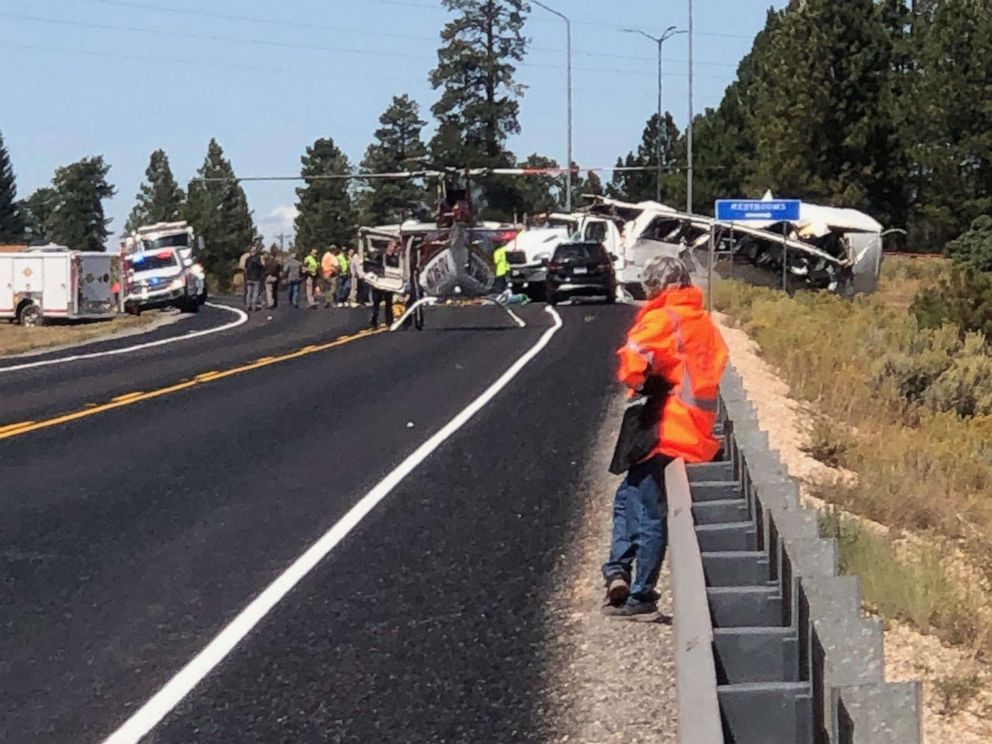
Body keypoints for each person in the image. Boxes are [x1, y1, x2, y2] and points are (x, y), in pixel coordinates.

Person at [601, 256, 728, 619]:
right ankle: (618, 573)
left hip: (664, 426)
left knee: (646, 510)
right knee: (629, 496)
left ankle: (641, 595)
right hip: (696, 431)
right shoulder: (703, 322)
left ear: (657, 286)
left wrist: (643, 382)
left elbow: (633, 361)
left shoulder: (662, 318)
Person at [243, 247, 264, 312]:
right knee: (255, 293)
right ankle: (254, 306)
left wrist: (246, 278)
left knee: (249, 293)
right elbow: (261, 267)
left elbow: (245, 269)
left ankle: (248, 306)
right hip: (256, 279)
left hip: (249, 278)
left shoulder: (247, 259)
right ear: (256, 252)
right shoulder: (258, 259)